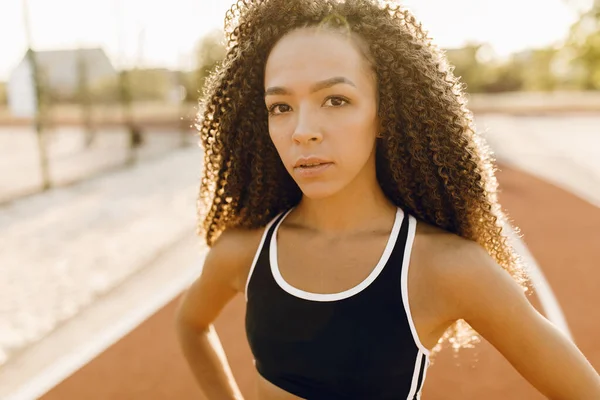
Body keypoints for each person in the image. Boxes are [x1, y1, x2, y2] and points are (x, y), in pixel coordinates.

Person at [174, 0, 600, 398]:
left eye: (335, 100)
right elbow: (190, 324)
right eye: (280, 107)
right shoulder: (243, 251)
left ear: (384, 114)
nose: (302, 130)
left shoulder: (447, 268)